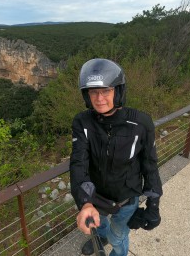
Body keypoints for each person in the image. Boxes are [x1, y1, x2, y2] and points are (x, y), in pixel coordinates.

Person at [70, 58, 163, 256]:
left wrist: (153, 204)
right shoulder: (83, 122)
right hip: (96, 196)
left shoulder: (141, 123)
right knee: (101, 225)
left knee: (118, 237)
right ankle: (100, 236)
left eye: (106, 91)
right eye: (93, 92)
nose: (99, 98)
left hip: (126, 199)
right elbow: (78, 163)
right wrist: (85, 202)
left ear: (118, 91)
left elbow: (150, 164)